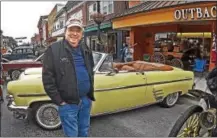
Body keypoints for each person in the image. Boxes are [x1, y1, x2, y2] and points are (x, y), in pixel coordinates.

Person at [42, 18, 95, 137]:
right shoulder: (53, 50)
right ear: (65, 31)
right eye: (71, 29)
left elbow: (90, 70)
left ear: (82, 34)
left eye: (78, 30)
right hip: (68, 104)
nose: (74, 33)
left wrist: (89, 95)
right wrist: (60, 101)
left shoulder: (85, 48)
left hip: (85, 101)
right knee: (72, 135)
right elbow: (47, 79)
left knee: (84, 132)